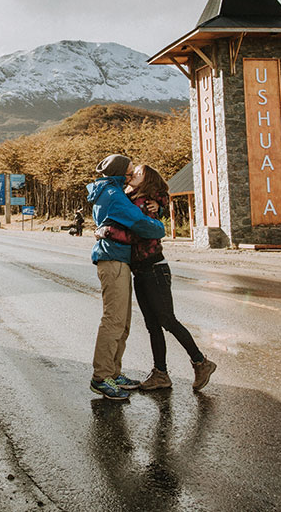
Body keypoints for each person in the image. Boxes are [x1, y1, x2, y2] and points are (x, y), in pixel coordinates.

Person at [106, 164, 216, 391]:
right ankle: (161, 374)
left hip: (154, 268)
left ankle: (200, 362)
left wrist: (107, 231)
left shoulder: (148, 201)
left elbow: (141, 226)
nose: (132, 175)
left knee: (166, 319)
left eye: (138, 173)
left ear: (148, 180)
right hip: (142, 270)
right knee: (152, 325)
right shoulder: (135, 198)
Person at [87, 154, 166, 401]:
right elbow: (142, 224)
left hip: (118, 260)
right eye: (130, 172)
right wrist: (161, 226)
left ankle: (114, 372)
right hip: (113, 260)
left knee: (123, 321)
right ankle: (101, 377)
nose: (132, 176)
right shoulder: (114, 196)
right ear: (120, 173)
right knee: (114, 320)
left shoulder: (111, 192)